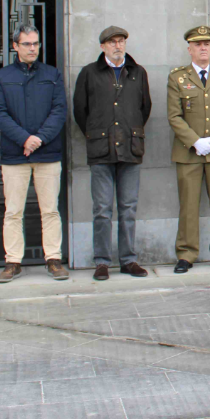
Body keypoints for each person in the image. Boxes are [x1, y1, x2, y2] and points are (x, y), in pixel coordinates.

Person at [73, 25, 153, 280]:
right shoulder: (89, 73)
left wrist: (130, 132)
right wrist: (97, 133)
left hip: (130, 149)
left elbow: (145, 108)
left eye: (121, 41)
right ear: (103, 46)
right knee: (102, 209)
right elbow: (80, 110)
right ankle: (102, 261)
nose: (118, 45)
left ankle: (129, 260)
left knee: (128, 208)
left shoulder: (137, 73)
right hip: (101, 149)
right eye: (112, 42)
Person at [0, 24, 68, 282]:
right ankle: (13, 262)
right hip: (15, 155)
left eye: (36, 43)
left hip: (47, 153)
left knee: (50, 210)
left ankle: (53, 259)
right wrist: (24, 139)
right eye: (27, 44)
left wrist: (39, 138)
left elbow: (59, 111)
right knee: (13, 211)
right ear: (15, 46)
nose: (33, 48)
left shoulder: (52, 74)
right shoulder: (2, 77)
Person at [166, 26, 210, 274]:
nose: (204, 48)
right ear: (190, 49)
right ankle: (186, 254)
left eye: (207, 43)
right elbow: (174, 116)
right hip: (189, 152)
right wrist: (196, 141)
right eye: (198, 44)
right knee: (188, 206)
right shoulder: (177, 77)